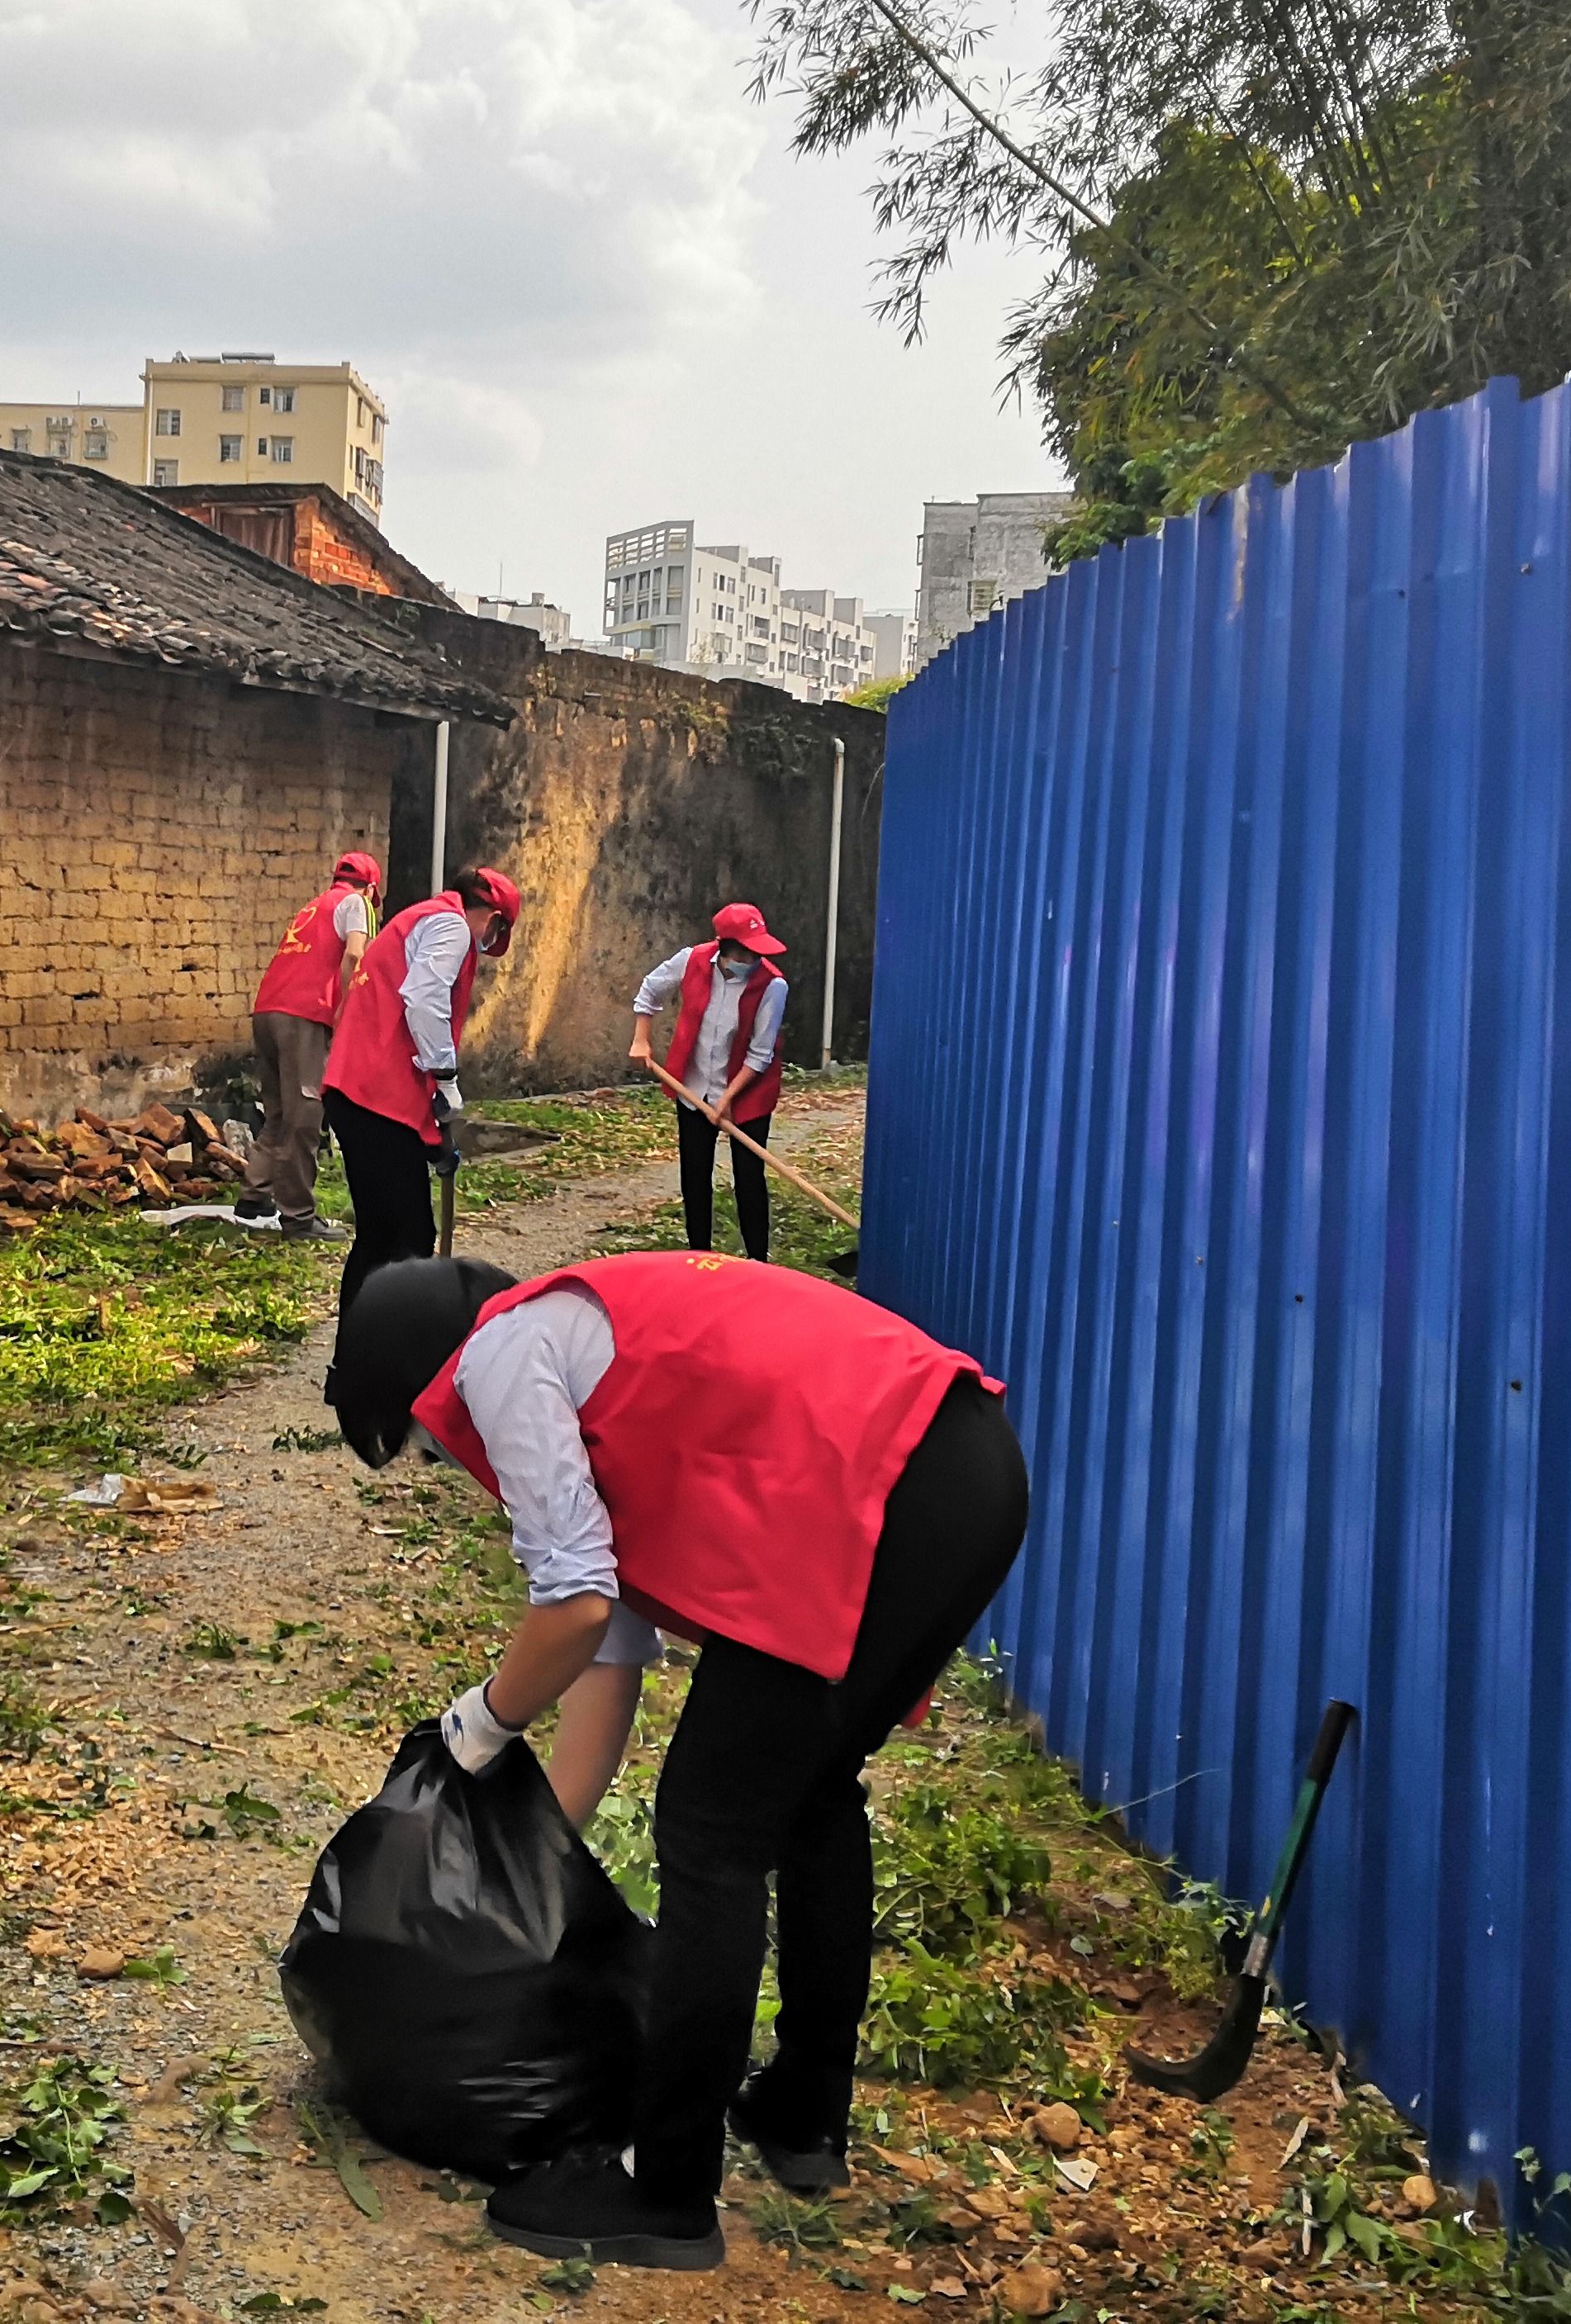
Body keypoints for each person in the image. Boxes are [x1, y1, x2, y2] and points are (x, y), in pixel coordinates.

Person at [323, 1250, 1027, 2272]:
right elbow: (603, 1664)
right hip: (963, 1470)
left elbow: (572, 1608)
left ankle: (668, 2191)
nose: (455, 1466)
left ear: (422, 1381)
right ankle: (802, 2112)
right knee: (811, 1796)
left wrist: (475, 1727)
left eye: (429, 1450)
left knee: (710, 1830)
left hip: (890, 1481)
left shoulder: (501, 1354)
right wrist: (524, 1861)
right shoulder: (580, 1345)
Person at [319, 865, 524, 1312]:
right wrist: (447, 1077)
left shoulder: (420, 918)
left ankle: (357, 1360)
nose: (487, 943)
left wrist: (432, 1142)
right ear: (492, 918)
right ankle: (387, 1354)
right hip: (373, 1097)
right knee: (406, 1238)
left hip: (363, 1094)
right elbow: (425, 999)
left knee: (383, 1236)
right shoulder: (451, 926)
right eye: (495, 932)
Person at [629, 902, 792, 1263]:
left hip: (748, 1092)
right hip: (694, 1086)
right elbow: (650, 991)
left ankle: (757, 1262)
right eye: (747, 952)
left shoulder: (773, 986)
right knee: (695, 1173)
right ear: (726, 949)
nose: (753, 960)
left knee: (749, 1178)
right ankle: (698, 1256)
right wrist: (641, 1039)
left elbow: (760, 1054)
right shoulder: (691, 961)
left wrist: (729, 1098)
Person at [239, 851, 378, 1237]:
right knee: (306, 1116)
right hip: (303, 1016)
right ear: (370, 887)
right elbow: (354, 953)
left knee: (279, 1114)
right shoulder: (358, 903)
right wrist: (346, 1012)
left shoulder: (312, 908)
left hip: (268, 1011)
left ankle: (254, 1196)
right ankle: (298, 1217)